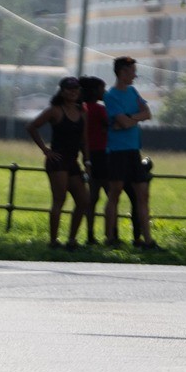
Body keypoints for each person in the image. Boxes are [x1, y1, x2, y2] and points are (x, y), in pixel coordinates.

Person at [27, 76, 88, 249]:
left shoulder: (82, 112)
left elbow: (84, 140)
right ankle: (53, 241)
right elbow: (32, 126)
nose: (73, 92)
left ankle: (72, 240)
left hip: (73, 161)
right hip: (58, 161)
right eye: (69, 89)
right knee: (59, 199)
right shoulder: (55, 110)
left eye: (76, 89)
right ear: (62, 92)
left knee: (83, 200)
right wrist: (45, 150)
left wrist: (87, 160)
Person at [102, 55, 154, 249]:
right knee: (114, 193)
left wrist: (129, 117)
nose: (135, 76)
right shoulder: (110, 96)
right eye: (132, 72)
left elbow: (147, 114)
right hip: (117, 151)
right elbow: (122, 122)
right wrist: (131, 119)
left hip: (133, 150)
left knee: (142, 195)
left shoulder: (133, 92)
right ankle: (109, 238)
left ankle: (147, 240)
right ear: (122, 72)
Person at [80, 75, 109, 245]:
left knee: (92, 197)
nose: (104, 92)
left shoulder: (82, 109)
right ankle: (111, 234)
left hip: (89, 155)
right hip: (103, 155)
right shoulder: (99, 109)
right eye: (102, 89)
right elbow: (111, 124)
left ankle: (90, 234)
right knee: (111, 195)